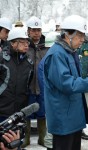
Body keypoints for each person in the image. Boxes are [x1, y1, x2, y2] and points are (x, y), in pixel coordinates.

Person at [43, 15, 88, 150]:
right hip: (63, 118)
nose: (82, 40)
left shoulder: (70, 52)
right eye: (79, 36)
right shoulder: (57, 54)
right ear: (68, 35)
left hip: (72, 116)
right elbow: (68, 84)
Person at [21, 16, 46, 148]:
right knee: (26, 114)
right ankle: (26, 139)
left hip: (42, 87)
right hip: (28, 87)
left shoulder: (47, 46)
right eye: (33, 30)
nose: (36, 33)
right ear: (28, 31)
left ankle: (43, 138)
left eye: (38, 30)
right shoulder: (25, 46)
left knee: (43, 114)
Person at [0, 27, 33, 123]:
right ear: (12, 43)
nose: (26, 45)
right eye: (22, 42)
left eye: (27, 42)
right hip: (2, 110)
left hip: (19, 112)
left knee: (17, 137)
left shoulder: (29, 63)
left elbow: (28, 85)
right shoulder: (2, 59)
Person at [38, 31, 59, 150]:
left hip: (50, 100)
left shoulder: (47, 60)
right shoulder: (48, 61)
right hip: (52, 100)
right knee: (52, 129)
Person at [77, 39, 88, 140]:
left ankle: (81, 130)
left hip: (86, 81)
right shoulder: (70, 46)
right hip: (74, 82)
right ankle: (76, 130)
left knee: (86, 108)